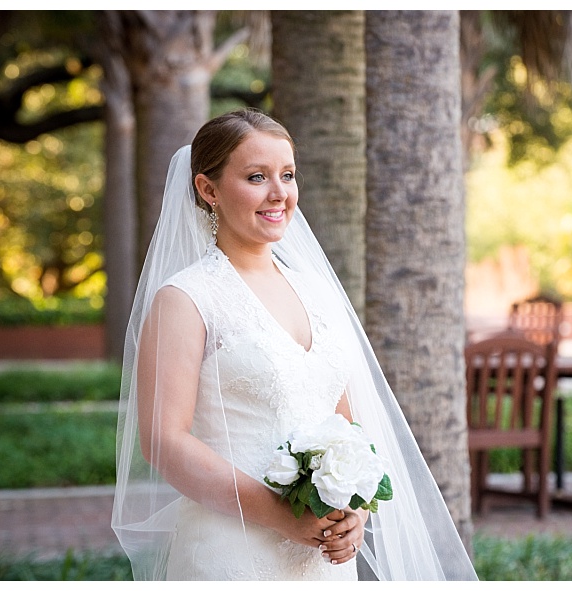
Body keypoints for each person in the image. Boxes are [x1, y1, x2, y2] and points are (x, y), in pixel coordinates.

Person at [111, 109, 477, 580]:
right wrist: (282, 516)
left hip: (324, 557)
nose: (279, 193)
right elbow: (164, 443)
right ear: (208, 190)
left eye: (287, 175)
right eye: (256, 177)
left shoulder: (317, 291)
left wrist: (356, 509)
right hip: (232, 552)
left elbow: (347, 425)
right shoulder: (185, 298)